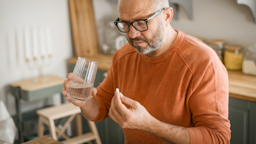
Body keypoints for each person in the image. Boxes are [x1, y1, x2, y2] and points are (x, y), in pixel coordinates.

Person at [62, 0, 231, 143]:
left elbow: (218, 138)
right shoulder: (123, 56)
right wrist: (86, 103)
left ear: (167, 16)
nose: (132, 34)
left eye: (141, 22)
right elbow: (102, 106)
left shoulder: (204, 62)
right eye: (125, 24)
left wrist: (149, 125)